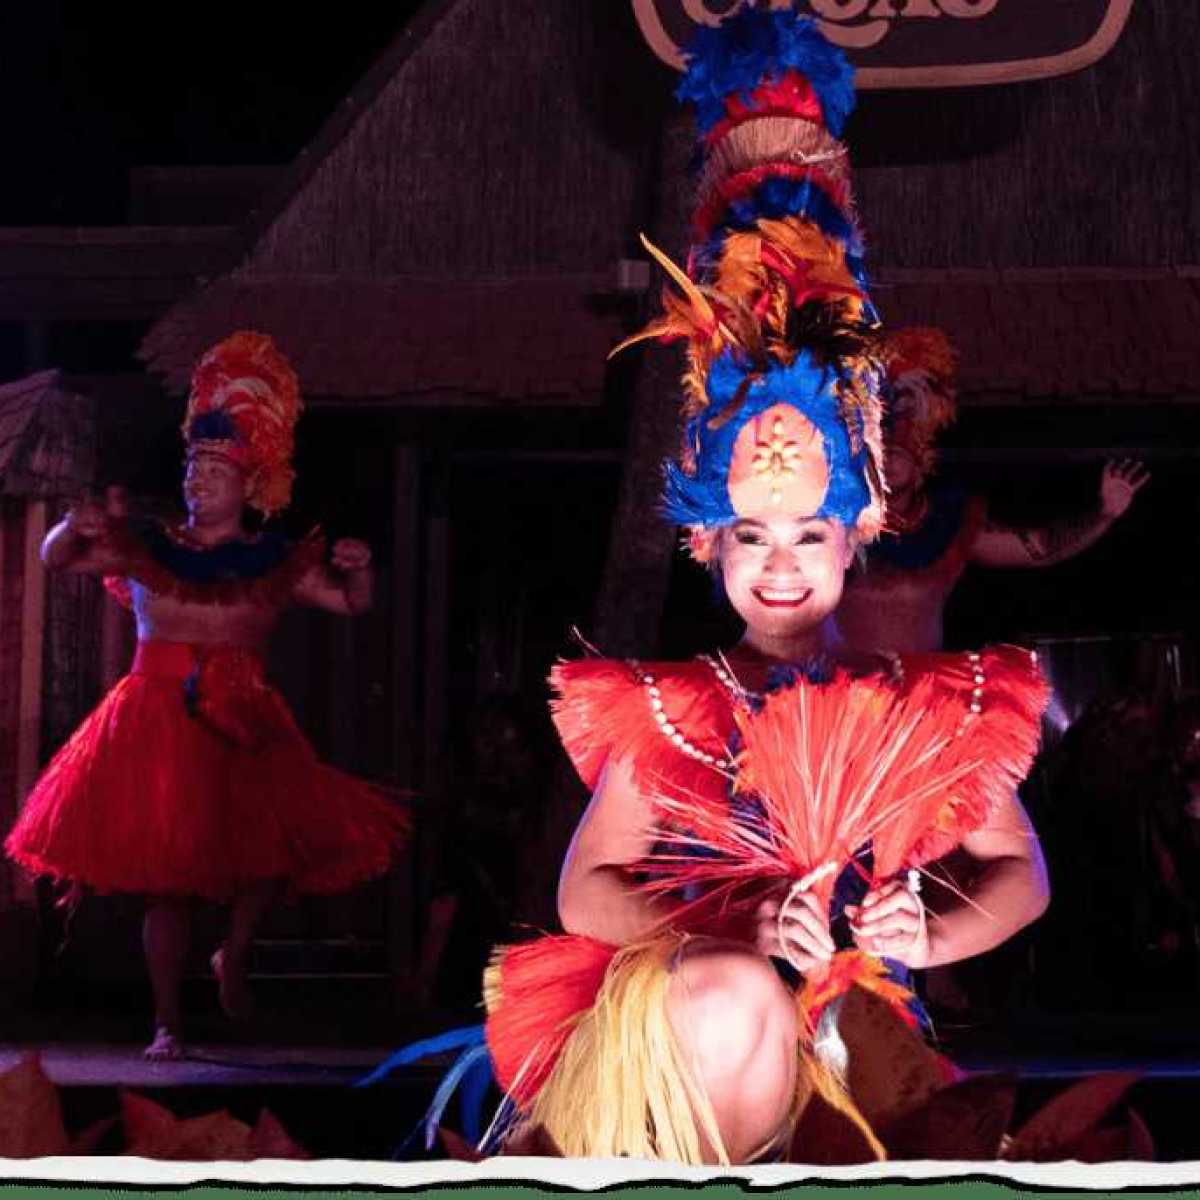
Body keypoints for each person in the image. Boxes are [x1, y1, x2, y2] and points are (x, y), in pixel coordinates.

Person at [471, 10, 1050, 1163]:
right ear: (708, 548)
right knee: (739, 994)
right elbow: (588, 889)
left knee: (833, 1034)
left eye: (806, 534)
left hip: (839, 1034)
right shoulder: (677, 708)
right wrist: (735, 929)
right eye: (749, 535)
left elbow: (1020, 873)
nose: (779, 564)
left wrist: (925, 937)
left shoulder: (913, 711)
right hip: (696, 1022)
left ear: (855, 539)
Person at [5, 331, 408, 1060]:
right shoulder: (147, 547)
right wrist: (74, 523)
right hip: (155, 719)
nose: (198, 482)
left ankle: (235, 951)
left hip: (246, 717)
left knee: (269, 857)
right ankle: (167, 1022)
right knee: (168, 883)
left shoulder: (274, 561)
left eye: (214, 472)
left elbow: (350, 604)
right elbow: (59, 557)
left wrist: (363, 567)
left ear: (246, 484)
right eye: (192, 470)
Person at [837, 326, 1150, 655]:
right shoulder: (833, 524)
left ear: (920, 464)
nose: (888, 460)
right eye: (880, 454)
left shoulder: (946, 525)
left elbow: (1039, 549)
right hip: (837, 695)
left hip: (923, 696)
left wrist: (1103, 515)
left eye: (897, 456)